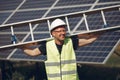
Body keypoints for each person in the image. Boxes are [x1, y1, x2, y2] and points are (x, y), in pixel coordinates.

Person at [21, 18, 100, 80]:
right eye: (59, 31)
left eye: (63, 30)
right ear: (53, 33)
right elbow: (33, 53)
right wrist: (21, 47)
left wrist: (101, 32)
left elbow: (89, 40)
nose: (62, 33)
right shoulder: (48, 46)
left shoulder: (70, 42)